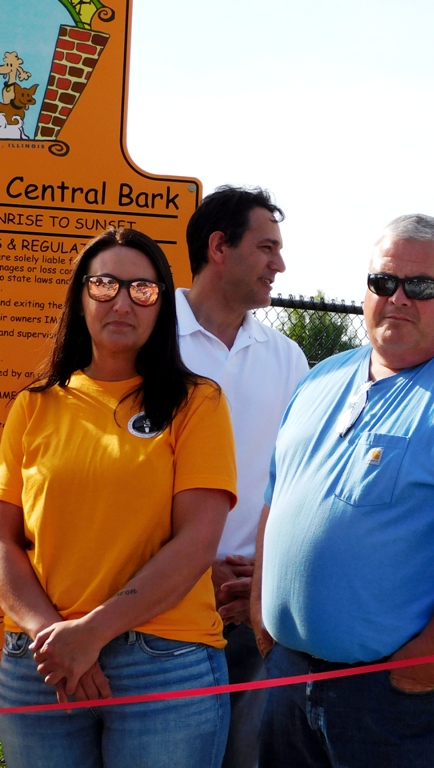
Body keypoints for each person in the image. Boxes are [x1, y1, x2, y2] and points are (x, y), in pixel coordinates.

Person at [252, 214, 434, 768]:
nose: (398, 298)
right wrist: (262, 616)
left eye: (421, 286)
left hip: (397, 696)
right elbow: (277, 499)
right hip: (289, 677)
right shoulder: (320, 379)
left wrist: (431, 655)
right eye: (383, 282)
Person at [0, 228, 237, 767]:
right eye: (105, 285)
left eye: (143, 290)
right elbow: (4, 541)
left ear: (162, 305)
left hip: (162, 660)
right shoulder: (34, 405)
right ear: (80, 296)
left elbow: (197, 543)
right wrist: (57, 638)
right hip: (40, 664)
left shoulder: (197, 403)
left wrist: (92, 634)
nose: (123, 302)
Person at [179, 185, 308, 768]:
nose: (279, 264)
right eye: (266, 247)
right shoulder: (146, 341)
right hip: (157, 613)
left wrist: (264, 576)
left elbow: (294, 479)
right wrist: (188, 570)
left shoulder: (288, 358)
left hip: (252, 607)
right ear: (218, 247)